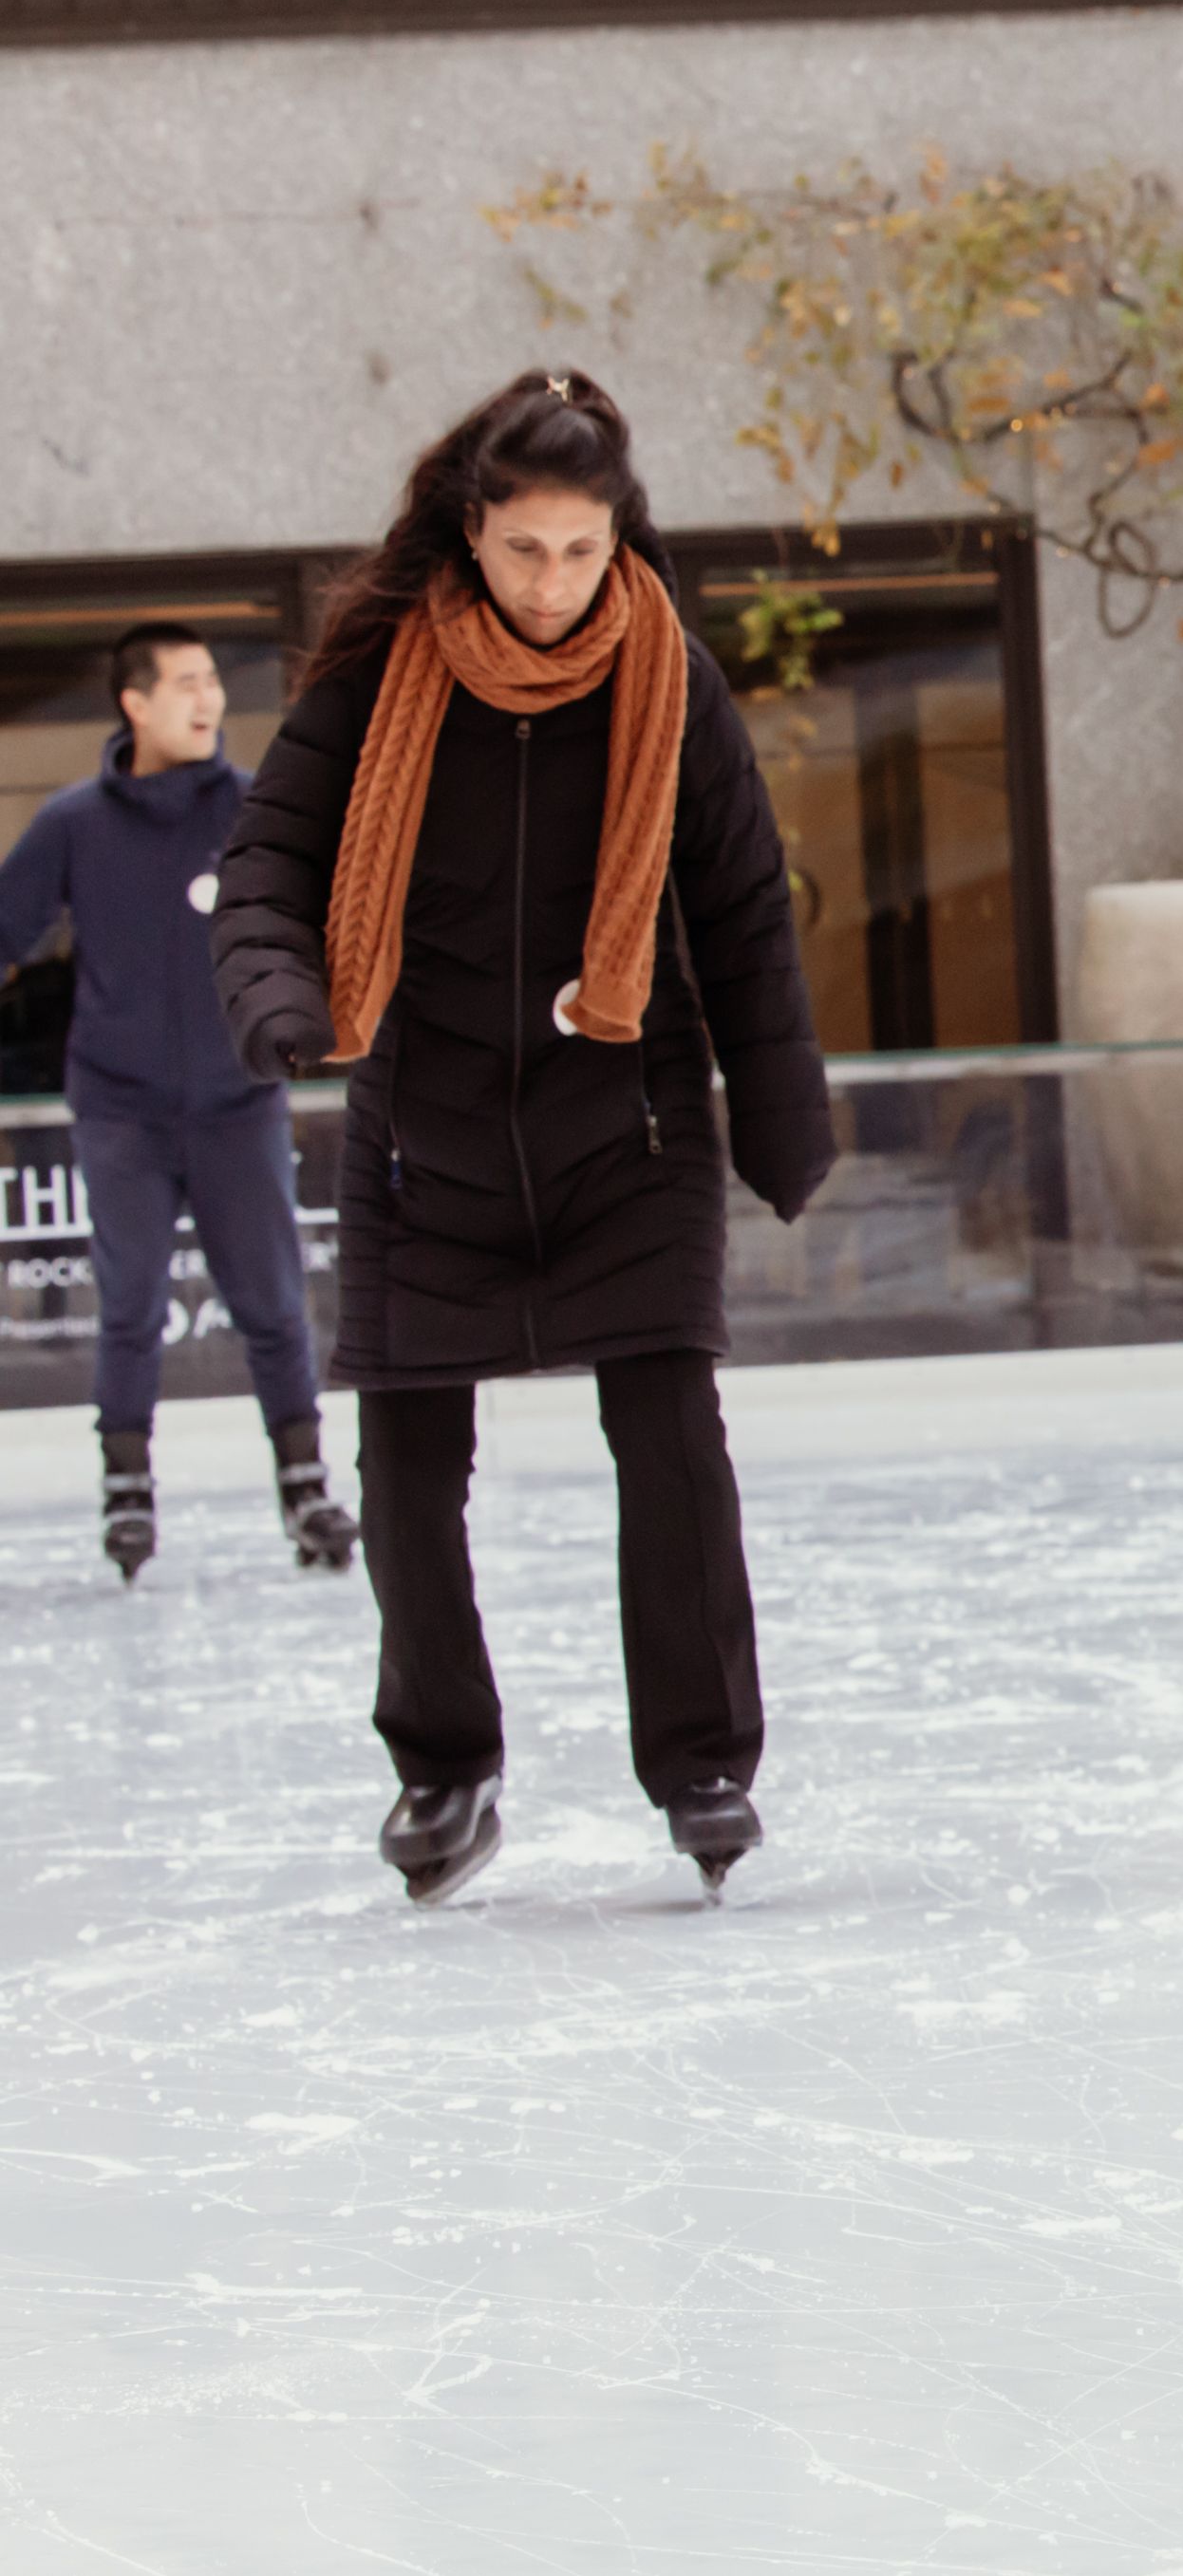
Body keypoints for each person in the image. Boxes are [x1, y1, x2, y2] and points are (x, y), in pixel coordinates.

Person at [213, 372, 834, 1907]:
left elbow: (744, 909)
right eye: (525, 552)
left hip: (625, 1118)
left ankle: (701, 1760)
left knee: (672, 1439)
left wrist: (779, 1111)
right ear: (469, 533)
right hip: (422, 1126)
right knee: (409, 1462)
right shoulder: (380, 677)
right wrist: (287, 1004)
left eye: (581, 550)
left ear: (618, 535)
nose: (554, 585)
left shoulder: (669, 678)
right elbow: (269, 865)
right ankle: (443, 1765)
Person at [0, 625, 342, 1582]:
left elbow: (327, 920)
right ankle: (128, 1489)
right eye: (186, 683)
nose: (209, 700)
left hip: (239, 1101)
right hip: (122, 1109)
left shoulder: (254, 809)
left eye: (213, 683)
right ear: (135, 702)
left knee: (272, 1299)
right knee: (132, 1303)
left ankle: (307, 1485)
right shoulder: (75, 823)